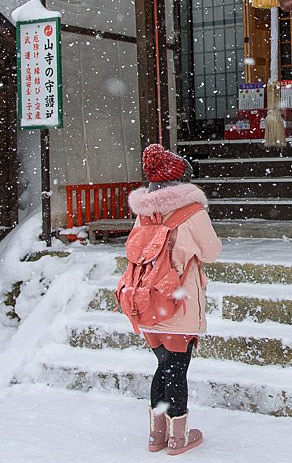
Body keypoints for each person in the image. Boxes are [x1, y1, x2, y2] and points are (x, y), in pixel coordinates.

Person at [127, 143, 222, 455]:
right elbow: (212, 252)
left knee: (163, 365)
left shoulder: (144, 214)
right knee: (177, 367)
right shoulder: (191, 212)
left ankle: (156, 435)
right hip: (178, 300)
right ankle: (177, 438)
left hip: (147, 301)